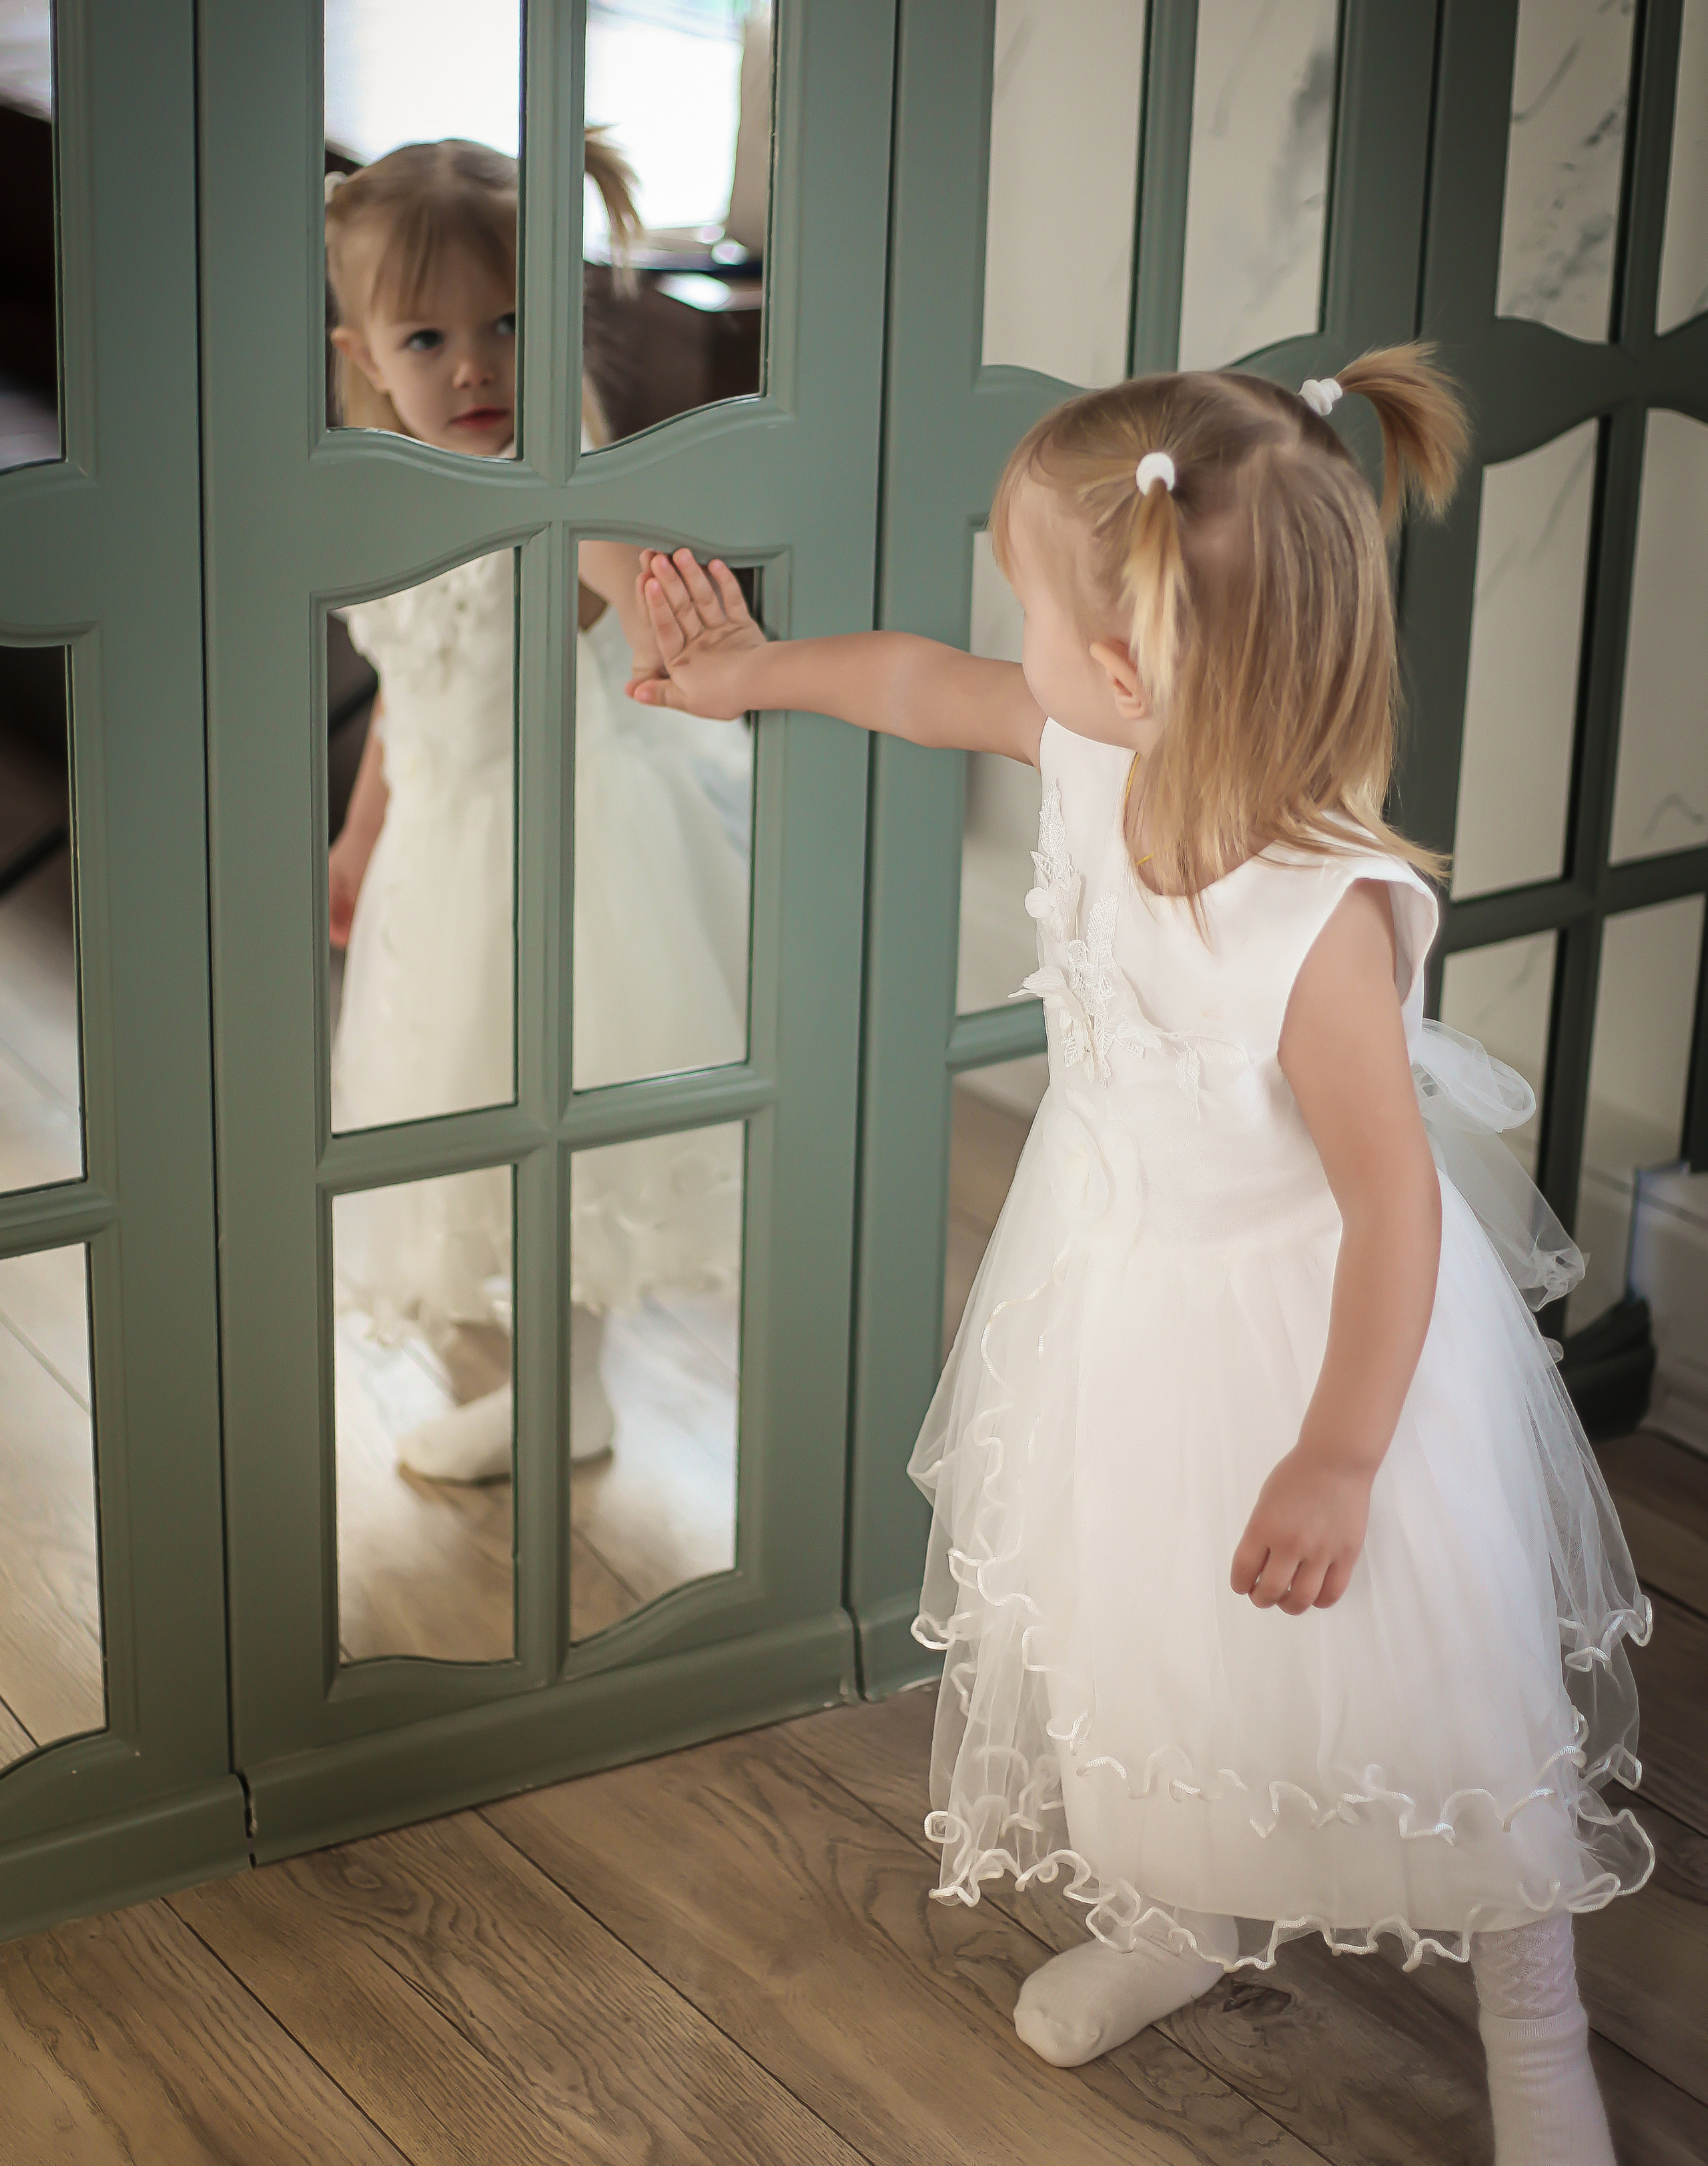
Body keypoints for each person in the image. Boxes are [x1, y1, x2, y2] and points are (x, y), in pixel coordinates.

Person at [630, 349, 1649, 2166]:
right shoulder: (1100, 740)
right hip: (1119, 1293)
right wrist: (744, 672)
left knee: (1434, 1686)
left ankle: (1531, 2018)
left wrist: (1340, 1454)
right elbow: (925, 687)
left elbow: (1398, 1205)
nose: (997, 629)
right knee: (1144, 1633)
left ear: (1124, 653)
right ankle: (1183, 1912)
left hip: (1322, 1346)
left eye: (1019, 589)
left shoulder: (1317, 918)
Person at [325, 136, 748, 1483]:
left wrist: (690, 630)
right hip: (442, 858)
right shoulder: (385, 495)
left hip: (563, 859)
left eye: (507, 325)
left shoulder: (569, 495)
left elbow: (646, 597)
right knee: (471, 1130)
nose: (473, 366)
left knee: (551, 1131)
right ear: (363, 355)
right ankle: (549, 1384)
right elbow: (410, 682)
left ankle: (566, 1390)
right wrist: (359, 826)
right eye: (429, 335)